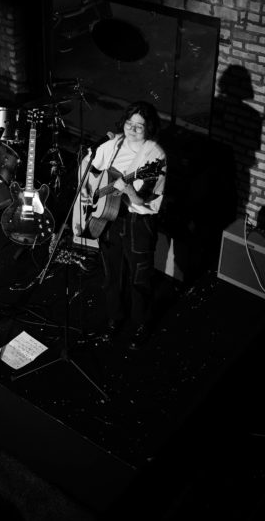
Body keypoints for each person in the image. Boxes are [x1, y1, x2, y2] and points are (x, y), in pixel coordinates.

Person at [79, 101, 167, 350]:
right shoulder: (114, 144)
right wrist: (86, 191)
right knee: (112, 275)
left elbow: (142, 201)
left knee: (139, 278)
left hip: (138, 221)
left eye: (139, 126)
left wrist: (128, 190)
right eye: (129, 123)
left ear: (149, 128)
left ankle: (141, 324)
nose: (132, 129)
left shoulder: (154, 157)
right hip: (109, 218)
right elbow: (88, 166)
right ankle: (115, 318)